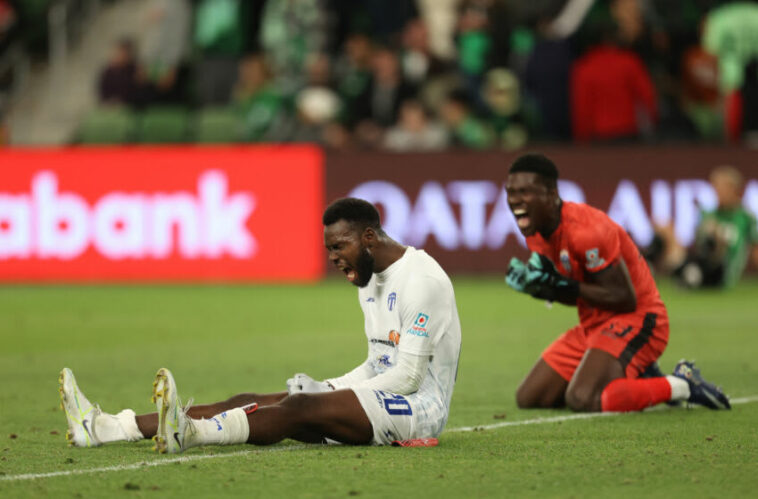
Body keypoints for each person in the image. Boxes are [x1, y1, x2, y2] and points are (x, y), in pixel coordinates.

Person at [59, 198, 462, 452]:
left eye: (339, 247)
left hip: (419, 410)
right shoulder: (368, 277)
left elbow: (408, 376)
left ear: (369, 237)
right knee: (257, 397)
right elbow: (378, 363)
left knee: (299, 406)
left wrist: (327, 393)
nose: (333, 258)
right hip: (385, 396)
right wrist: (333, 386)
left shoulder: (421, 280)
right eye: (328, 250)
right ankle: (107, 428)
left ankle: (192, 433)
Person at [503, 153, 730, 413]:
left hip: (639, 319)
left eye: (524, 192)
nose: (514, 200)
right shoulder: (537, 231)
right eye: (510, 192)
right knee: (531, 397)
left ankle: (681, 385)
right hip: (595, 324)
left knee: (582, 398)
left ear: (551, 193)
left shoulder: (587, 230)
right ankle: (636, 377)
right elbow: (578, 292)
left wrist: (559, 286)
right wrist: (542, 289)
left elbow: (623, 298)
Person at [672, 165, 758, 288]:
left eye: (722, 188)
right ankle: (688, 273)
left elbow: (755, 251)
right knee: (667, 231)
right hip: (704, 262)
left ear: (735, 190)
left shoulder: (746, 218)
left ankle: (690, 275)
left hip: (725, 270)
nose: (718, 192)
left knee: (715, 234)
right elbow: (700, 247)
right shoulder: (708, 215)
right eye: (716, 187)